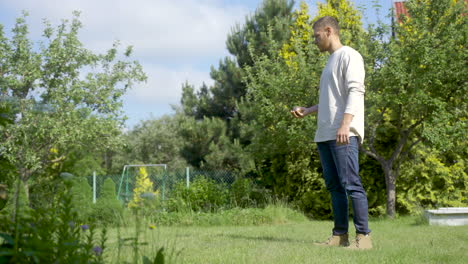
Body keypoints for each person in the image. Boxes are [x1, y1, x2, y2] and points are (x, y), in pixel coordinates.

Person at [291, 16, 372, 250]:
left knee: (351, 184)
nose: (314, 41)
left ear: (328, 31)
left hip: (343, 133)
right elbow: (331, 101)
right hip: (325, 134)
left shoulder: (349, 55)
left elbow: (356, 91)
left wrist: (346, 125)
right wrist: (308, 111)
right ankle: (339, 236)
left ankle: (364, 238)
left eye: (316, 36)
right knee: (335, 187)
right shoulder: (329, 62)